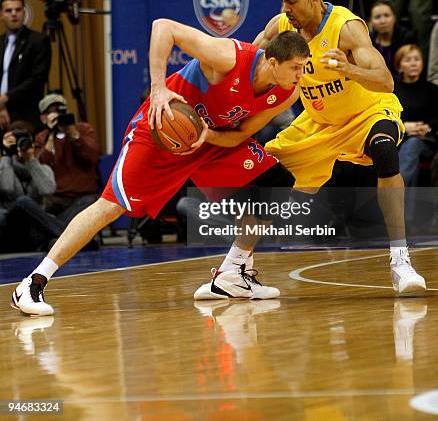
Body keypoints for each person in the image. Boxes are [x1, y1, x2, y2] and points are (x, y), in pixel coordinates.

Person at [11, 24, 310, 315]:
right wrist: (159, 90)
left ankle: (231, 274)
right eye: (296, 67)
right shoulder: (228, 57)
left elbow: (241, 135)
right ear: (273, 62)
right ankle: (33, 283)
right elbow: (163, 27)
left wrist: (207, 136)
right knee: (110, 206)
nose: (301, 75)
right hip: (162, 129)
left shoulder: (288, 93)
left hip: (208, 138)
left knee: (276, 182)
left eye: (304, 67)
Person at [251, 0, 426, 295]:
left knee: (385, 151)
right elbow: (249, 59)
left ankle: (400, 260)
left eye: (292, 1)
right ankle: (234, 269)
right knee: (264, 171)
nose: (285, 8)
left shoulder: (345, 27)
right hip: (319, 122)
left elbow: (386, 81)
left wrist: (348, 68)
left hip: (367, 112)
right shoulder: (281, 26)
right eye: (282, 1)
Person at [35, 93, 100, 226]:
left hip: (83, 196)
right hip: (54, 198)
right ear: (43, 118)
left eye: (61, 110)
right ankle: (62, 234)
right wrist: (51, 134)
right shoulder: (42, 138)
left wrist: (72, 133)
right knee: (35, 211)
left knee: (89, 204)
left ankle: (55, 234)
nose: (58, 115)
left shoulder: (83, 129)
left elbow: (92, 157)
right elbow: (41, 166)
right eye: (52, 112)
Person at [0, 121, 61, 253]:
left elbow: (48, 190)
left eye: (25, 141)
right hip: (10, 230)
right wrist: (6, 154)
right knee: (23, 201)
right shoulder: (3, 167)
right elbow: (7, 187)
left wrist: (31, 161)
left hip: (33, 230)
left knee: (45, 223)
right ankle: (70, 239)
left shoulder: (42, 168)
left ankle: (53, 244)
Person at [0, 0, 51, 129]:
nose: (14, 14)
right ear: (1, 15)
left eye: (18, 9)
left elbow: (37, 79)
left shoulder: (38, 40)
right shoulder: (1, 42)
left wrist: (5, 99)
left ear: (24, 13)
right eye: (8, 11)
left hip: (26, 114)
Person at [393, 44, 438, 187]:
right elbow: (388, 116)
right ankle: (406, 206)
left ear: (422, 63)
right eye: (408, 60)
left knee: (413, 144)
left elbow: (436, 117)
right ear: (399, 66)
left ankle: (395, 189)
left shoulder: (432, 90)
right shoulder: (392, 91)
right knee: (409, 149)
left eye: (417, 59)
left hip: (427, 141)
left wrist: (428, 128)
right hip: (399, 138)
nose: (413, 63)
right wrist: (404, 126)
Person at [369, 0, 415, 78]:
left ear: (394, 18)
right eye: (377, 17)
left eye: (387, 15)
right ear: (371, 21)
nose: (383, 21)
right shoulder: (367, 40)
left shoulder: (407, 37)